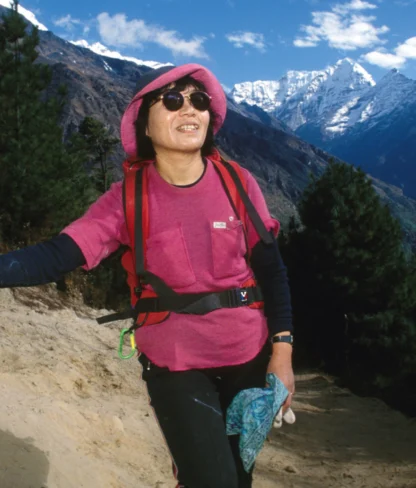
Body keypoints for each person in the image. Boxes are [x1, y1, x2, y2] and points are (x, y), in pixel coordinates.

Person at [0, 63, 294, 488]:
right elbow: (56, 255)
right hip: (175, 364)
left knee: (238, 475)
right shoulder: (126, 199)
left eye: (198, 100)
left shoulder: (238, 183)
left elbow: (273, 270)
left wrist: (281, 354)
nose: (189, 109)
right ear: (145, 124)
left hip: (248, 356)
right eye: (172, 101)